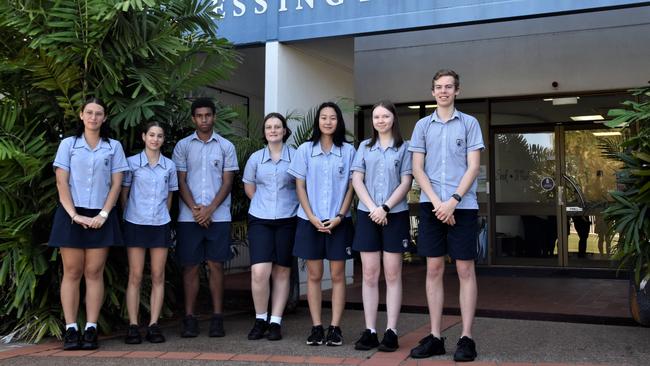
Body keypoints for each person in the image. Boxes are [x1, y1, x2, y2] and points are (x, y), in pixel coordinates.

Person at [408, 69, 484, 362]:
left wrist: (452, 201)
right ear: (432, 92)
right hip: (432, 206)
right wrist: (439, 204)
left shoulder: (470, 124)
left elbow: (473, 166)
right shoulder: (423, 126)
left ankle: (466, 338)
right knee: (434, 270)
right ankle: (436, 336)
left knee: (465, 271)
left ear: (457, 91)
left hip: (462, 206)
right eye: (438, 87)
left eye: (448, 87)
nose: (443, 91)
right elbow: (417, 168)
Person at [49, 97, 129, 350]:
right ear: (81, 115)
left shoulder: (113, 146)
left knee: (94, 272)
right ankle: (71, 329)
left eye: (99, 113)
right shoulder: (68, 144)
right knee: (72, 271)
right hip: (71, 213)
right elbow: (62, 182)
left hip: (100, 214)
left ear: (105, 118)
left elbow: (117, 184)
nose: (94, 117)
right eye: (89, 113)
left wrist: (103, 215)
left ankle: (91, 328)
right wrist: (74, 215)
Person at [288, 101, 355, 347]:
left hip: (339, 220)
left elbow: (352, 187)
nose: (328, 121)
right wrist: (312, 216)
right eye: (324, 117)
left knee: (338, 275)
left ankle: (335, 328)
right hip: (310, 221)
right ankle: (316, 327)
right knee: (314, 275)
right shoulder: (305, 150)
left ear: (339, 122)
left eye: (333, 117)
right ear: (318, 121)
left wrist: (339, 215)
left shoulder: (349, 151)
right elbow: (299, 186)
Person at [172, 98, 239, 338]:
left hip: (218, 217)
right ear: (193, 118)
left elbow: (228, 181)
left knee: (216, 265)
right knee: (189, 267)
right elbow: (180, 181)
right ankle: (189, 318)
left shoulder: (226, 146)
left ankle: (217, 318)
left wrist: (209, 209)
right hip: (189, 217)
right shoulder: (182, 146)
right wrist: (196, 210)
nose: (204, 119)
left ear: (214, 117)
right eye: (199, 115)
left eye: (208, 115)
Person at [351, 101, 412, 352]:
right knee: (369, 274)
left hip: (394, 214)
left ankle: (391, 330)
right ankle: (370, 330)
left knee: (393, 274)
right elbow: (357, 178)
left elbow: (407, 181)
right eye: (376, 116)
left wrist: (385, 207)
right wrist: (373, 208)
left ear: (393, 119)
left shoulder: (404, 147)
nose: (380, 120)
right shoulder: (365, 146)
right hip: (367, 214)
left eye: (385, 116)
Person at [242, 113, 299, 341]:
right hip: (260, 218)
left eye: (277, 127)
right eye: (268, 127)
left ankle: (275, 321)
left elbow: (301, 187)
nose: (273, 130)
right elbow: (249, 186)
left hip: (288, 218)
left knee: (282, 270)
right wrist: (262, 204)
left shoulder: (295, 157)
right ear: (264, 132)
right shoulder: (255, 158)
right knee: (259, 272)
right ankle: (260, 319)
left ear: (285, 130)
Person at [121, 122, 178, 344]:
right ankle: (133, 325)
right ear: (144, 136)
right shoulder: (132, 163)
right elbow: (124, 193)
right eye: (151, 135)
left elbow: (171, 195)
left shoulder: (169, 166)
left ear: (164, 140)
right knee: (135, 276)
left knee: (158, 275)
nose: (155, 139)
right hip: (135, 222)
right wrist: (128, 216)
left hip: (160, 223)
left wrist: (163, 214)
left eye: (160, 136)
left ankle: (154, 324)